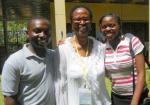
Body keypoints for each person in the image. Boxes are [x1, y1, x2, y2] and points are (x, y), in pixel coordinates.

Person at [55, 6, 111, 105]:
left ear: (91, 21)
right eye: (77, 19)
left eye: (85, 19)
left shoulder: (101, 48)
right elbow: (59, 86)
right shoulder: (63, 50)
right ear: (71, 23)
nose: (82, 22)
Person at [1, 18, 56, 105]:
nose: (42, 35)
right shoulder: (15, 61)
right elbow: (9, 98)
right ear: (27, 34)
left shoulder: (54, 56)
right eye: (37, 31)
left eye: (46, 32)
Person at [99, 13, 147, 105]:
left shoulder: (132, 41)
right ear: (101, 28)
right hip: (116, 97)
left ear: (119, 26)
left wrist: (134, 102)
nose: (108, 29)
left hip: (137, 97)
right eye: (104, 27)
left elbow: (141, 73)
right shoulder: (103, 48)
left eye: (112, 25)